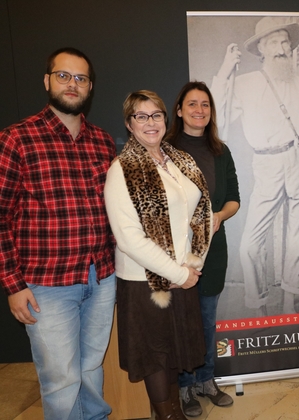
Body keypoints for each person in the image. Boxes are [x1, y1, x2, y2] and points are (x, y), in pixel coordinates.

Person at [0, 47, 116, 419]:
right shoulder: (16, 139)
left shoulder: (103, 141)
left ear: (90, 87)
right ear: (48, 80)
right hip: (46, 286)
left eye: (80, 78)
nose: (72, 83)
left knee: (91, 372)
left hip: (100, 277)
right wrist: (13, 284)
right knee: (61, 380)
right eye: (64, 75)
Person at [104, 90, 213, 420]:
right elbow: (128, 238)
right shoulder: (122, 169)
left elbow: (204, 213)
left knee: (176, 352)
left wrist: (193, 265)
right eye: (141, 116)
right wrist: (178, 275)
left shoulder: (181, 160)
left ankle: (174, 412)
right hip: (146, 283)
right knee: (157, 357)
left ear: (166, 120)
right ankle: (168, 416)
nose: (150, 123)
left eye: (156, 115)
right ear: (129, 123)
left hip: (184, 274)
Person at [211, 16, 299, 315]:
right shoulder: (244, 84)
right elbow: (216, 115)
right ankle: (258, 305)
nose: (283, 48)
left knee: (298, 236)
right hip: (266, 164)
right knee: (250, 244)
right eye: (274, 42)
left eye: (285, 41)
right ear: (261, 49)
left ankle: (290, 301)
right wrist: (225, 69)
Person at [164, 81, 240, 416]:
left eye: (205, 105)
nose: (199, 110)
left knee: (208, 320)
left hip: (213, 249)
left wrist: (220, 216)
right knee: (183, 321)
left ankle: (207, 380)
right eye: (192, 104)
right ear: (179, 110)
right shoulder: (163, 150)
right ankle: (185, 385)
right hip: (177, 253)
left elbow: (234, 198)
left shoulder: (220, 151)